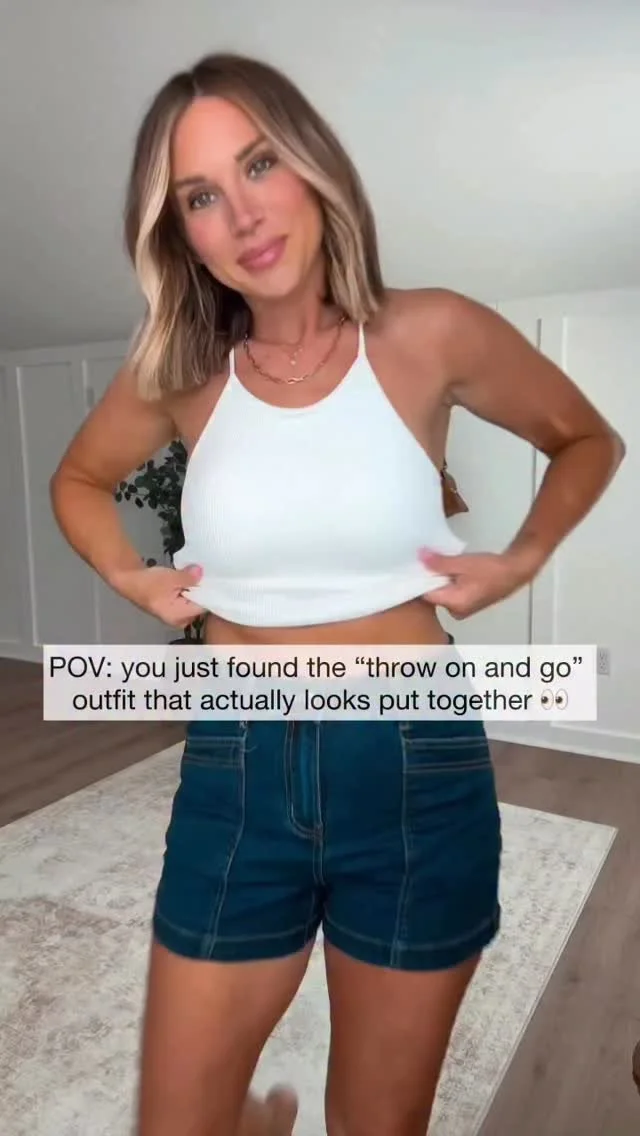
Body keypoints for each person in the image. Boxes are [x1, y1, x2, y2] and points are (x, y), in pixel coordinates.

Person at [50, 51, 624, 1136]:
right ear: (181, 235)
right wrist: (128, 572)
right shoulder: (181, 370)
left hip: (412, 762)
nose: (242, 214)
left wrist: (522, 556)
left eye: (259, 164)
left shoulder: (431, 331)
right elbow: (77, 478)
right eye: (200, 197)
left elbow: (586, 437)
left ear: (315, 167)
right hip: (237, 765)